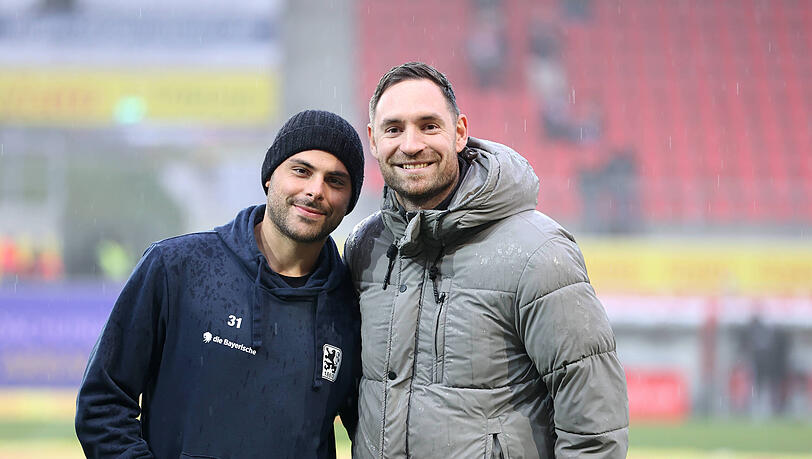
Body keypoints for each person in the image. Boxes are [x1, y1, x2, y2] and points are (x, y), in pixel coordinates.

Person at [344, 62, 629, 458]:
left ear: (459, 132)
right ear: (373, 141)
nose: (410, 145)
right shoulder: (364, 247)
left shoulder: (538, 252)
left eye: (429, 125)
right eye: (394, 129)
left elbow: (594, 427)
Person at [75, 110, 365, 459]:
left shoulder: (353, 305)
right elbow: (102, 403)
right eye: (301, 171)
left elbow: (375, 429)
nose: (316, 190)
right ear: (270, 177)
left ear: (349, 201)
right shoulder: (177, 267)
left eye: (336, 181)